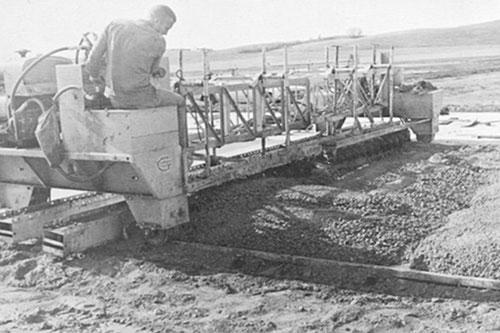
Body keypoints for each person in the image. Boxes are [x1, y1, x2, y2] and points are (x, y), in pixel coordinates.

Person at [85, 4, 185, 110]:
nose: (166, 33)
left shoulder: (114, 25)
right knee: (180, 101)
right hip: (142, 99)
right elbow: (152, 71)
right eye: (166, 28)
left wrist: (95, 78)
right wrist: (158, 71)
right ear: (156, 21)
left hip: (113, 98)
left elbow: (93, 58)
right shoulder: (159, 41)